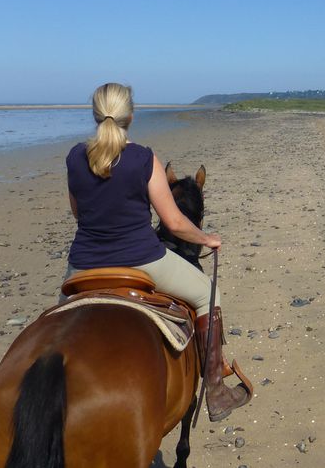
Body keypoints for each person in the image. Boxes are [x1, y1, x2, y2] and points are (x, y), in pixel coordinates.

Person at [62, 82, 250, 422]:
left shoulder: (76, 156)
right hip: (143, 261)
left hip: (83, 266)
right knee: (210, 294)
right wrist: (207, 239)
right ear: (131, 116)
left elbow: (78, 214)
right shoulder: (144, 158)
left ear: (94, 115)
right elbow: (175, 223)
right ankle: (217, 392)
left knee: (57, 327)